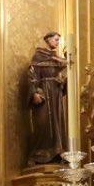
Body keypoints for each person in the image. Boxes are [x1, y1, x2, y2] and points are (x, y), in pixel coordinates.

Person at [25, 31, 68, 167]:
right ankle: (38, 153)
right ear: (48, 40)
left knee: (58, 122)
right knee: (43, 123)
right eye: (55, 40)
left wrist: (63, 82)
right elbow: (32, 76)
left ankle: (58, 151)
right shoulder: (38, 56)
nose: (57, 42)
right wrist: (34, 93)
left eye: (58, 40)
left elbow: (63, 75)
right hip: (44, 92)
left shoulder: (57, 59)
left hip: (55, 94)